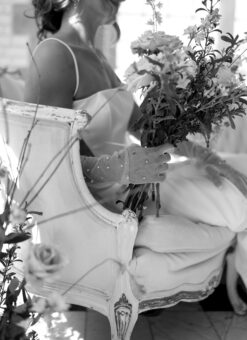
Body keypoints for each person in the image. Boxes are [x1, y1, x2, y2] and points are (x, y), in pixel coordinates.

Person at [24, 0, 247, 323]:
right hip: (107, 201)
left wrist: (210, 158)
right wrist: (120, 167)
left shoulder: (96, 56)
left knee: (239, 166)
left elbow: (149, 131)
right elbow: (48, 160)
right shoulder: (54, 54)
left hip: (141, 178)